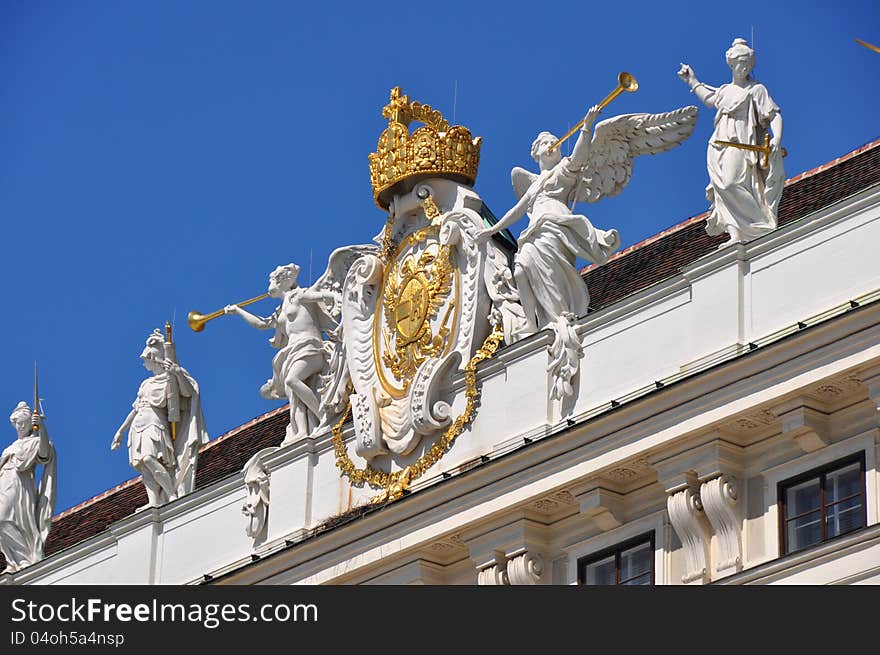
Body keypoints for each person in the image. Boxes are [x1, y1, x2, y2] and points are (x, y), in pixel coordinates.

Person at [475, 105, 621, 334]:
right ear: (536, 153)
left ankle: (561, 316)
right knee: (521, 268)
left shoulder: (563, 169)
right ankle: (532, 324)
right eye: (546, 143)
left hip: (556, 226)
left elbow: (579, 157)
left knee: (554, 273)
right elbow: (516, 211)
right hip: (535, 229)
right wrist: (491, 230)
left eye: (555, 142)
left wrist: (586, 127)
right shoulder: (532, 183)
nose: (552, 145)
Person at [678, 38, 785, 244]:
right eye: (739, 63)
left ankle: (761, 222)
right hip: (719, 145)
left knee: (731, 183)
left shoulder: (756, 90)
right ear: (732, 64)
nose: (743, 68)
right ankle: (735, 233)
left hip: (741, 145)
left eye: (747, 64)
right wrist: (692, 80)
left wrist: (777, 138)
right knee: (722, 188)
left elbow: (775, 115)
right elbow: (709, 98)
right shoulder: (726, 91)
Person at [225, 263, 336, 443]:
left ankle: (324, 417)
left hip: (310, 347)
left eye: (272, 280)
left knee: (293, 380)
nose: (270, 284)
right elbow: (261, 325)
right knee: (293, 395)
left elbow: (319, 295)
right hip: (292, 352)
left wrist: (332, 296)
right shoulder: (281, 310)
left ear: (282, 281)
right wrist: (238, 311)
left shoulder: (298, 295)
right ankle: (301, 431)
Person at [111, 329, 209, 507]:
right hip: (138, 427)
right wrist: (120, 432)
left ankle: (171, 494)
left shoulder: (169, 379)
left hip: (154, 424)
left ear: (153, 358)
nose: (143, 363)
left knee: (149, 459)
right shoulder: (145, 383)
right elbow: (135, 409)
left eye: (145, 359)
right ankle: (154, 501)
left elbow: (188, 392)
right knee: (144, 467)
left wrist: (177, 372)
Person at [0, 401, 56, 572]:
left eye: (24, 423)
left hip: (20, 485)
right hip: (4, 481)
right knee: (1, 520)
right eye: (18, 423)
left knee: (4, 518)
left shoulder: (34, 442)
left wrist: (43, 427)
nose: (20, 426)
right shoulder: (9, 448)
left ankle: (24, 558)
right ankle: (15, 560)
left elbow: (45, 452)